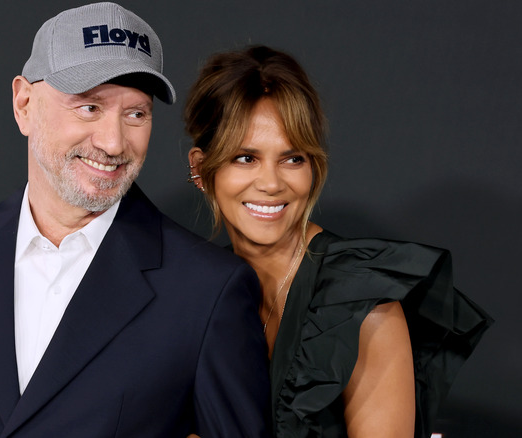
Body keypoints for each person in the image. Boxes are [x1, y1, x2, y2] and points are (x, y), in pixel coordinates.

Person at [0, 4, 271, 437]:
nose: (113, 141)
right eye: (89, 107)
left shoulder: (207, 291)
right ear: (24, 104)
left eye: (136, 113)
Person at [184, 45, 493, 437]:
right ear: (201, 168)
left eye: (293, 158)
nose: (271, 183)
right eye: (245, 158)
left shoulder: (360, 305)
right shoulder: (197, 293)